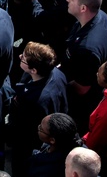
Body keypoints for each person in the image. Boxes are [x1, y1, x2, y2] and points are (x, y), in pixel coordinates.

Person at [9, 41, 69, 173]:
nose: (20, 57)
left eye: (23, 58)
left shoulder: (37, 100)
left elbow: (27, 128)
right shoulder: (57, 73)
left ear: (34, 70)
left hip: (28, 143)